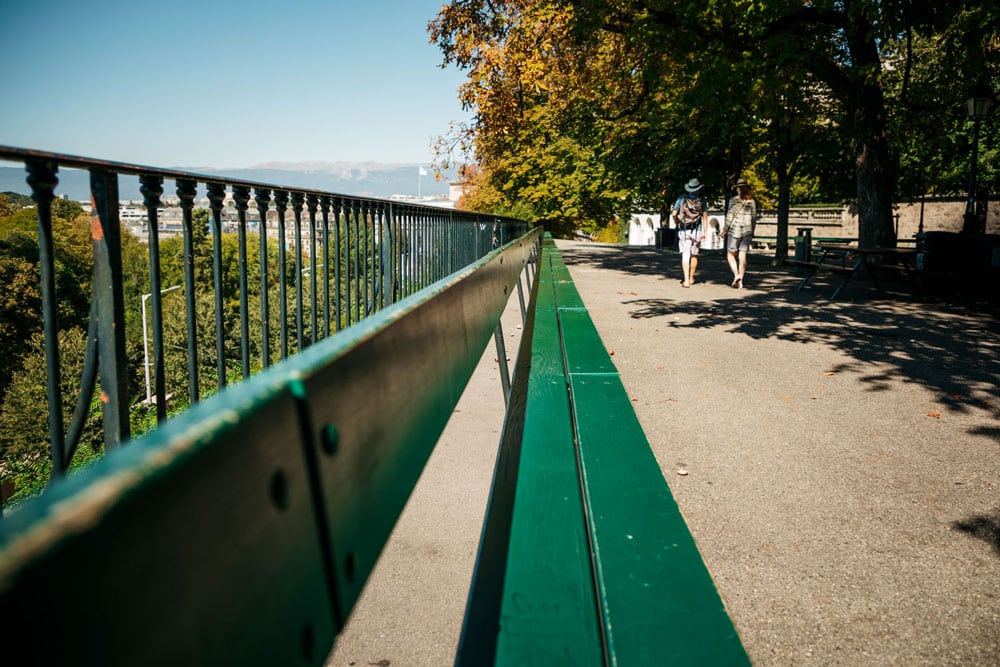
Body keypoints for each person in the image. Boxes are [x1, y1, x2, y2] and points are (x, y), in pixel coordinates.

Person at [722, 178, 759, 289]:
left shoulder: (733, 200)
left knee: (730, 254)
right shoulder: (752, 201)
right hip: (747, 230)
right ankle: (741, 281)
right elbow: (754, 218)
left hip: (734, 230)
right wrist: (752, 231)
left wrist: (724, 229)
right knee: (743, 255)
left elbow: (729, 216)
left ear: (738, 188)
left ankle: (736, 274)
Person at [671, 178, 708, 287]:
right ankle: (692, 278)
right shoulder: (702, 200)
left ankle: (686, 280)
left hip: (684, 229)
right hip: (697, 229)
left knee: (685, 254)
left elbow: (674, 213)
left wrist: (677, 221)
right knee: (694, 255)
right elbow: (705, 217)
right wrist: (705, 232)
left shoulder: (681, 198)